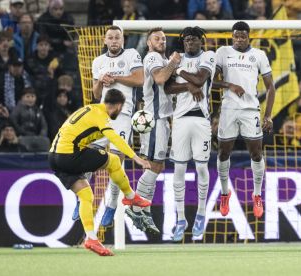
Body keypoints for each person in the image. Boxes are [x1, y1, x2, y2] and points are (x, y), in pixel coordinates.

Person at [49, 88, 151, 256]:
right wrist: (137, 158)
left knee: (86, 195)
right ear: (118, 106)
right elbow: (115, 139)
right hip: (69, 155)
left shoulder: (88, 109)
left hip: (54, 157)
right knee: (113, 160)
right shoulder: (101, 116)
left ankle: (91, 239)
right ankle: (131, 197)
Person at [213, 21, 275, 219]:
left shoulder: (259, 55)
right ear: (232, 36)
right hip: (229, 109)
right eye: (236, 36)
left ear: (249, 37)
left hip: (250, 110)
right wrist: (229, 85)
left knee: (256, 153)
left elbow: (271, 87)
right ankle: (224, 193)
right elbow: (210, 81)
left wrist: (268, 115)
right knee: (223, 152)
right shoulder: (222, 52)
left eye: (243, 36)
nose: (239, 40)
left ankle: (257, 195)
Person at [86, 25, 144, 228]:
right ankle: (81, 200)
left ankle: (111, 205)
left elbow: (139, 79)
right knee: (87, 157)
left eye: (117, 37)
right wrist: (101, 81)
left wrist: (116, 77)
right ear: (105, 40)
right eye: (110, 37)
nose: (114, 41)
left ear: (123, 40)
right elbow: (95, 94)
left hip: (123, 114)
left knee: (116, 163)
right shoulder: (98, 62)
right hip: (103, 114)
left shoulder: (131, 55)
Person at [125, 27, 180, 235]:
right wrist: (174, 62)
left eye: (164, 38)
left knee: (157, 165)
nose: (161, 41)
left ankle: (141, 208)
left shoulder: (162, 59)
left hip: (161, 119)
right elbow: (159, 79)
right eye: (156, 38)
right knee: (154, 165)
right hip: (154, 118)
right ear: (148, 43)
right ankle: (137, 208)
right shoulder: (152, 58)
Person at [164, 26, 216, 241]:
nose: (190, 44)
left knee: (202, 166)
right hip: (181, 119)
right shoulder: (176, 58)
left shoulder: (209, 56)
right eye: (186, 41)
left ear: (200, 41)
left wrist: (178, 72)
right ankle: (181, 219)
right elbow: (167, 88)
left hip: (202, 119)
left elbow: (201, 80)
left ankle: (201, 214)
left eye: (193, 40)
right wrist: (188, 86)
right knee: (179, 168)